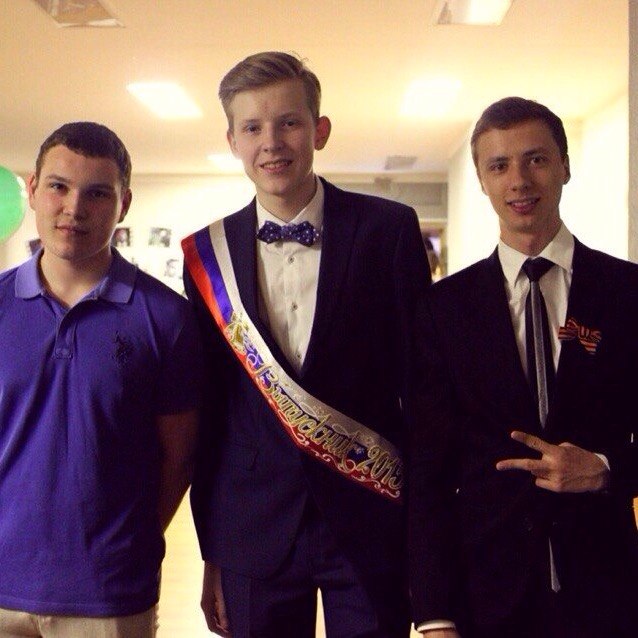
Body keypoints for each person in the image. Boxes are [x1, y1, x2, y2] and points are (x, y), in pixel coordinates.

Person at [182, 51, 430, 638]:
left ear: (319, 130)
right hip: (252, 528)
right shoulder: (205, 255)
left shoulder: (388, 230)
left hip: (370, 515)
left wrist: (427, 538)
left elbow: (423, 390)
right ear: (233, 141)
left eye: (289, 122)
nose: (271, 142)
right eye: (252, 127)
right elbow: (209, 413)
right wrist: (212, 549)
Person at [407, 97, 638, 638]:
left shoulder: (627, 294)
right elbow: (427, 469)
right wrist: (435, 614)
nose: (519, 181)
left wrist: (606, 468)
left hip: (607, 592)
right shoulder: (443, 310)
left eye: (536, 159)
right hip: (486, 595)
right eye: (499, 165)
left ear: (565, 166)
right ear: (483, 181)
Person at [0, 122, 201, 638]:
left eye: (97, 193)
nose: (74, 208)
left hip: (109, 593)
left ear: (123, 204)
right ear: (33, 189)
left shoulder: (168, 319)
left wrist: (128, 543)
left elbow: (179, 456)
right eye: (59, 186)